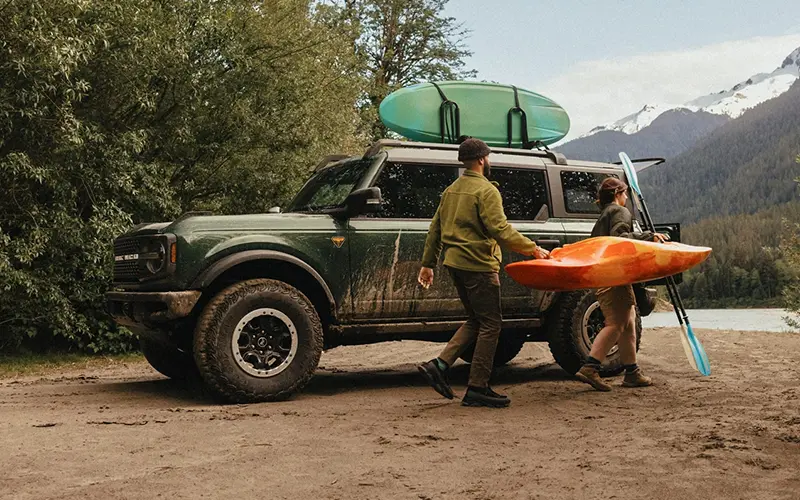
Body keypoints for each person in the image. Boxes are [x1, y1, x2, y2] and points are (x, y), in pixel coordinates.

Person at [416, 137, 550, 408]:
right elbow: (500, 229)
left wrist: (428, 264)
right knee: (491, 324)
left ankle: (440, 365)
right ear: (482, 159)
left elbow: (435, 230)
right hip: (479, 265)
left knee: (478, 319)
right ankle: (478, 386)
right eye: (487, 157)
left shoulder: (451, 190)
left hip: (455, 264)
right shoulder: (487, 191)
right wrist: (533, 249)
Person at [575, 177, 669, 392]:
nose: (626, 197)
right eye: (625, 193)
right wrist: (649, 237)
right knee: (616, 323)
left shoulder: (605, 214)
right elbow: (620, 239)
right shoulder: (619, 212)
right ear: (618, 193)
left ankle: (632, 372)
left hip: (606, 275)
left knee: (628, 320)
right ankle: (591, 367)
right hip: (614, 275)